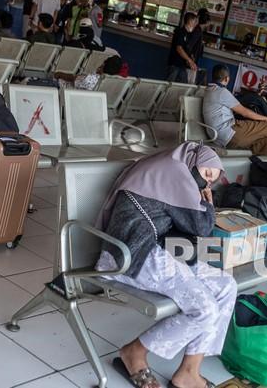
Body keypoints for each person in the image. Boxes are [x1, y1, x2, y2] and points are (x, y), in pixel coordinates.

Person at [94, 142, 235, 388]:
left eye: (211, 180)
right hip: (132, 255)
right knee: (205, 308)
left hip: (157, 249)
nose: (206, 184)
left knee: (226, 284)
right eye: (206, 175)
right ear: (194, 161)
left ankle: (189, 371)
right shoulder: (175, 173)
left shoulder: (174, 167)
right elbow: (201, 226)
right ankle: (134, 353)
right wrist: (209, 204)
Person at [202, 65, 267, 156]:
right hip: (229, 134)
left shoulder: (209, 89)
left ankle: (263, 168)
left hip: (218, 136)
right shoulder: (222, 92)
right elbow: (245, 112)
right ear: (227, 78)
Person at [55, 55, 122, 90]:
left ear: (104, 64)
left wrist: (58, 74)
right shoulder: (109, 81)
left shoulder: (92, 78)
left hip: (64, 89)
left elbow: (72, 78)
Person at [166, 12, 198, 83]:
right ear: (190, 21)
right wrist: (189, 60)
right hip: (174, 64)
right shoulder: (180, 32)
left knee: (183, 85)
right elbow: (179, 48)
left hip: (182, 65)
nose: (196, 23)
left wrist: (191, 59)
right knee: (168, 86)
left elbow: (187, 49)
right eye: (194, 21)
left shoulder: (189, 34)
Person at [186, 8, 209, 85]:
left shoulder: (197, 30)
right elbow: (189, 45)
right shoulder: (197, 30)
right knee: (189, 83)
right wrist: (191, 60)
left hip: (192, 61)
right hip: (191, 62)